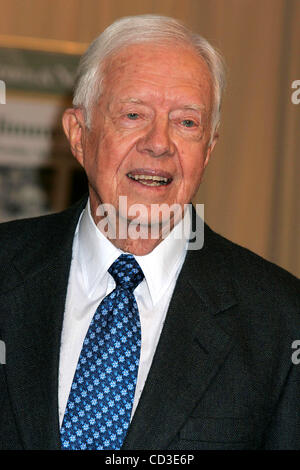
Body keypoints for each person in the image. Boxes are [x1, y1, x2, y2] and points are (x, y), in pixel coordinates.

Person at [0, 15, 299, 451]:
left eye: (187, 123)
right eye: (134, 114)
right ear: (79, 134)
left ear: (209, 150)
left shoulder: (279, 320)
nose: (159, 143)